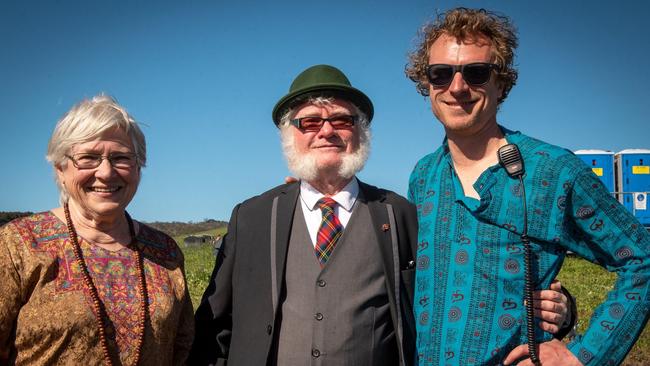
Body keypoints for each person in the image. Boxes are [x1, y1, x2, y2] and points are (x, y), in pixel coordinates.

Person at [189, 64, 571, 366]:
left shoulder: (400, 214)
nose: (327, 131)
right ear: (291, 134)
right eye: (310, 121)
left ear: (361, 132)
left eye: (342, 119)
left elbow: (465, 281)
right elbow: (214, 328)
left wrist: (556, 305)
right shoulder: (253, 217)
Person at [405, 7, 650, 365]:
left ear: (501, 82)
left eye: (476, 72)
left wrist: (583, 356)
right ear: (427, 84)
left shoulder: (553, 170)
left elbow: (641, 259)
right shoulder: (423, 176)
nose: (457, 87)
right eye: (440, 74)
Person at [0, 95, 194, 365]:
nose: (105, 172)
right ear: (60, 169)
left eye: (121, 158)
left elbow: (182, 350)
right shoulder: (18, 244)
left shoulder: (165, 252)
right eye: (88, 158)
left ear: (139, 168)